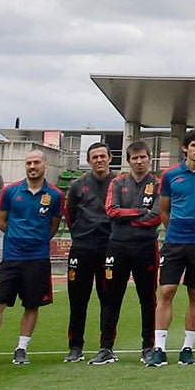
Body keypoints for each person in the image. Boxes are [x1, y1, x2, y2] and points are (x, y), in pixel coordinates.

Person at [0, 150, 63, 366]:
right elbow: (2, 222)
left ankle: (21, 349)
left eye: (36, 162)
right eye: (28, 163)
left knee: (31, 305)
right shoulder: (10, 191)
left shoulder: (54, 195)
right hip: (12, 257)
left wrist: (36, 239)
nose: (32, 166)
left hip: (38, 258)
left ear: (46, 164)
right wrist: (19, 238)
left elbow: (53, 226)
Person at [152, 129, 195, 366]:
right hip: (174, 243)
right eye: (194, 146)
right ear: (185, 148)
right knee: (167, 291)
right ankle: (159, 347)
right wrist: (175, 231)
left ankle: (187, 347)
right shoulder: (170, 175)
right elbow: (164, 210)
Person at [99, 142, 161, 364]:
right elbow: (111, 211)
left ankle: (148, 347)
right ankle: (106, 348)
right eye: (134, 158)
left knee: (147, 299)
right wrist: (138, 213)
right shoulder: (118, 182)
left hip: (146, 247)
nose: (139, 161)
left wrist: (128, 219)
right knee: (111, 297)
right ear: (128, 160)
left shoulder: (157, 184)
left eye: (143, 157)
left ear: (149, 158)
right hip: (118, 246)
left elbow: (155, 216)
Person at [60, 143, 115, 363]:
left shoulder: (119, 183)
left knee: (108, 299)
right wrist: (82, 236)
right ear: (89, 160)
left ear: (110, 158)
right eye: (95, 157)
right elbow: (70, 215)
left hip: (110, 247)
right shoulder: (77, 185)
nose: (99, 160)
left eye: (103, 156)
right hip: (82, 248)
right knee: (78, 299)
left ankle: (106, 346)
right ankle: (75, 347)